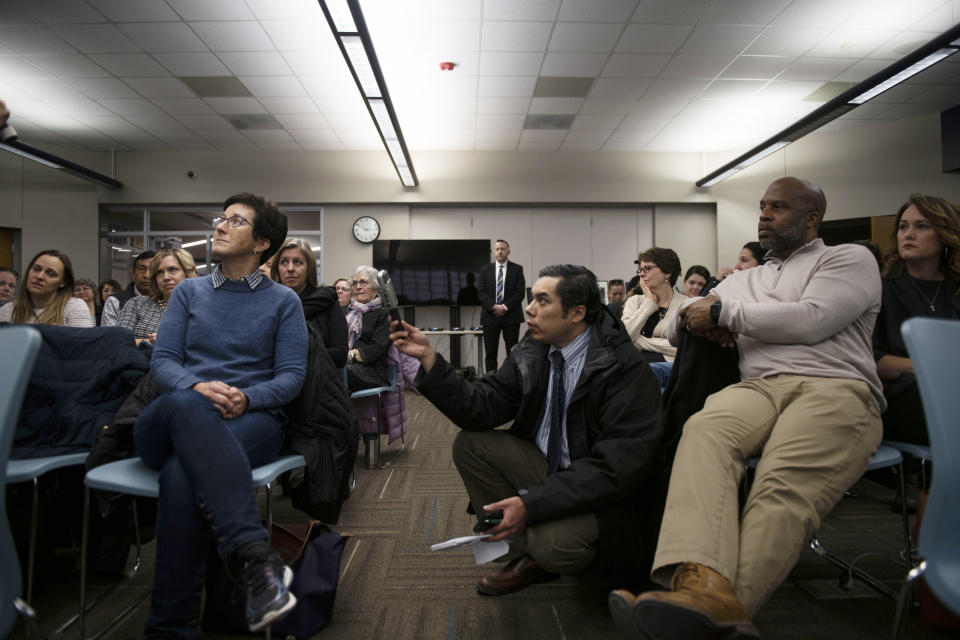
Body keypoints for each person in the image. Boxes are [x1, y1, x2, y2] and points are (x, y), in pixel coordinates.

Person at [609, 177, 885, 640]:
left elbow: (812, 318)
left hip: (836, 387)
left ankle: (717, 609)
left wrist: (721, 313)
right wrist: (703, 312)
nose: (763, 214)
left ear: (811, 217)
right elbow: (679, 325)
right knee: (703, 431)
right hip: (760, 387)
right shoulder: (747, 278)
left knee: (780, 481)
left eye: (778, 206)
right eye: (761, 206)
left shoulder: (848, 259)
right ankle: (702, 583)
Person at [390, 264, 663, 596]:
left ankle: (558, 555)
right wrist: (431, 359)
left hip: (600, 490)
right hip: (548, 465)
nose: (529, 309)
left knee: (550, 544)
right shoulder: (533, 349)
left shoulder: (623, 370)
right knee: (471, 444)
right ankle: (522, 553)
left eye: (542, 301)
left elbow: (615, 470)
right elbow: (483, 405)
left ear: (577, 313)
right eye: (532, 298)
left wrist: (532, 504)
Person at [132, 193, 306, 636]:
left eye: (236, 221)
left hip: (250, 420)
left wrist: (246, 398)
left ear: (262, 242)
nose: (220, 226)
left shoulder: (284, 302)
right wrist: (195, 387)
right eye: (221, 219)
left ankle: (171, 626)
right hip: (175, 412)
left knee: (179, 475)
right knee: (190, 406)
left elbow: (290, 379)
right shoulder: (189, 292)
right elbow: (164, 361)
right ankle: (254, 556)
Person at [873, 194, 960, 446]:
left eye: (921, 226)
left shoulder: (955, 290)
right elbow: (873, 360)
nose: (908, 234)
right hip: (902, 397)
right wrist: (932, 367)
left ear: (945, 234)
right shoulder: (881, 290)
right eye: (903, 226)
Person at [271, 238, 349, 367]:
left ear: (309, 267)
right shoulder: (269, 303)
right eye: (284, 262)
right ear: (277, 268)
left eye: (297, 262)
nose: (290, 268)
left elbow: (340, 355)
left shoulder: (329, 304)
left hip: (318, 380)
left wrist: (292, 355)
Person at [118, 249, 197, 345]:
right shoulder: (136, 304)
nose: (166, 277)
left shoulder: (202, 307)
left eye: (172, 269)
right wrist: (149, 342)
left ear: (187, 272)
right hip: (138, 359)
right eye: (159, 272)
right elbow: (118, 341)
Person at [621, 248, 688, 362]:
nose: (641, 274)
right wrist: (648, 304)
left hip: (669, 370)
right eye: (640, 270)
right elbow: (623, 339)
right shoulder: (634, 301)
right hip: (635, 366)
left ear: (667, 273)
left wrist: (637, 341)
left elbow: (683, 348)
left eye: (648, 268)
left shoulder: (686, 304)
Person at [0, 250, 93, 327]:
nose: (40, 276)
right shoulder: (8, 310)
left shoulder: (73, 306)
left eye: (50, 274)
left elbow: (83, 347)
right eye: (36, 269)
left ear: (63, 282)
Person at [477, 239, 525, 372]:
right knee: (490, 354)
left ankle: (512, 382)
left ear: (508, 251)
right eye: (497, 249)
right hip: (490, 316)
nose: (500, 252)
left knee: (513, 353)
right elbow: (481, 292)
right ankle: (491, 382)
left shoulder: (517, 269)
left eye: (503, 249)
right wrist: (494, 306)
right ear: (494, 252)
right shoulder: (485, 270)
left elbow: (520, 293)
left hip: (511, 316)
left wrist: (504, 307)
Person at [344, 265, 391, 391]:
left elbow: (380, 348)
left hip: (371, 371)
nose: (358, 287)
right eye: (354, 283)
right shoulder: (347, 312)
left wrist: (352, 355)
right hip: (344, 364)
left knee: (332, 374)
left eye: (363, 282)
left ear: (376, 289)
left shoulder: (384, 313)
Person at [101, 250, 157, 327]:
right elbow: (110, 336)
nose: (147, 275)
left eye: (152, 269)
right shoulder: (115, 302)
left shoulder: (166, 300)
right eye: (142, 269)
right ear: (133, 275)